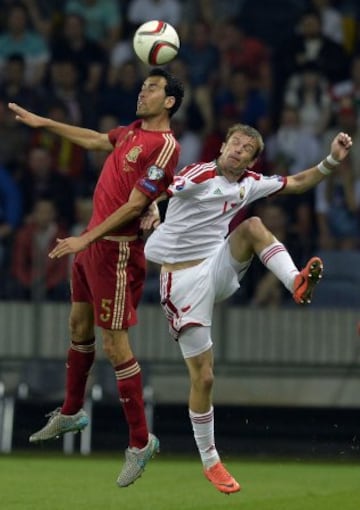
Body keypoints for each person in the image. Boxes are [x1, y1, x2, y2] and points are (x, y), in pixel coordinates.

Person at [142, 124, 352, 493]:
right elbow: (161, 187)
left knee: (253, 225)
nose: (238, 150)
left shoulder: (249, 182)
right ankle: (211, 461)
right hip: (181, 282)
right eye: (235, 143)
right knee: (204, 378)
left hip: (216, 266)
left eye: (247, 148)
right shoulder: (200, 173)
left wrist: (332, 159)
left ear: (252, 160)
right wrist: (151, 209)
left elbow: (299, 182)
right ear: (222, 146)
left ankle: (296, 283)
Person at [8, 67, 184, 487]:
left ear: (170, 102)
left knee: (114, 342)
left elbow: (135, 204)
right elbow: (91, 138)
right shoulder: (129, 133)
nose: (143, 91)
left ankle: (140, 442)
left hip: (117, 252)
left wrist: (84, 239)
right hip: (92, 249)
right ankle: (71, 412)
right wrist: (44, 123)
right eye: (143, 86)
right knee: (78, 326)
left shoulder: (165, 147)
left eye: (153, 88)